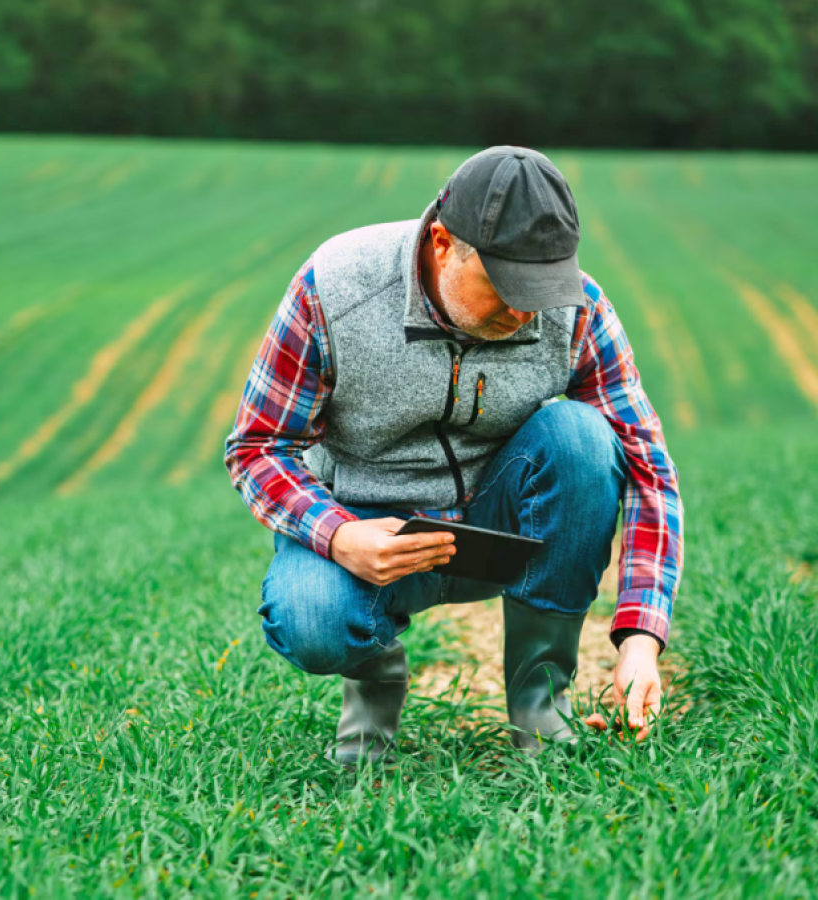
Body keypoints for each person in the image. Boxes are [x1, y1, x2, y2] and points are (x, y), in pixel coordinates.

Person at [224, 146, 683, 764]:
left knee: (582, 435)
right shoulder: (333, 287)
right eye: (506, 286)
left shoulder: (578, 310)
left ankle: (539, 711)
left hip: (502, 525)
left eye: (541, 287)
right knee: (310, 619)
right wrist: (339, 537)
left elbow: (648, 468)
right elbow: (257, 447)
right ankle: (374, 688)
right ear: (443, 243)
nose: (525, 312)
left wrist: (640, 641)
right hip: (368, 529)